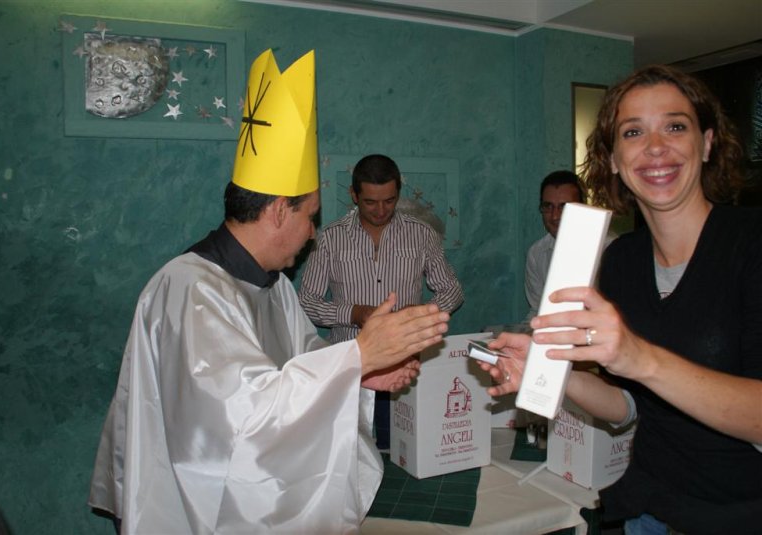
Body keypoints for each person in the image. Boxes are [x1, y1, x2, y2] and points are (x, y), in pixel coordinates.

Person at [87, 49, 450, 534]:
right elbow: (243, 417)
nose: (314, 233)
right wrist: (358, 356)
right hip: (191, 506)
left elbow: (303, 359)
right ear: (279, 211)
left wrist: (360, 376)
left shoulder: (274, 285)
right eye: (310, 217)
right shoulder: (189, 290)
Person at [479, 64, 762, 535]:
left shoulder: (751, 244)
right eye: (633, 132)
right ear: (612, 159)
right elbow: (628, 406)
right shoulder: (623, 260)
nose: (655, 147)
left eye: (675, 126)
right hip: (649, 509)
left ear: (708, 143)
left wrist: (638, 356)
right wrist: (554, 373)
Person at [298, 154, 464, 446]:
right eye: (370, 202)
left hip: (402, 364)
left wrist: (420, 313)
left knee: (399, 448)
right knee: (346, 449)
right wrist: (354, 313)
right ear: (354, 195)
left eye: (389, 201)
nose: (380, 210)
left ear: (398, 193)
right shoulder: (330, 239)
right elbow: (307, 302)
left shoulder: (421, 234)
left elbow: (452, 291)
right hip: (349, 362)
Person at [524, 171, 585, 320]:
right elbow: (538, 311)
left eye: (564, 207)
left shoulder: (610, 250)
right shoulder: (537, 253)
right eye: (548, 206)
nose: (555, 216)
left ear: (583, 207)